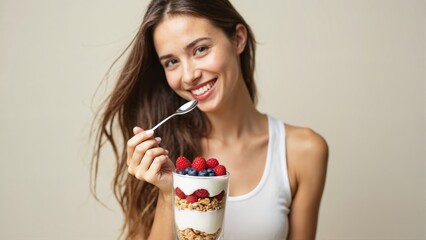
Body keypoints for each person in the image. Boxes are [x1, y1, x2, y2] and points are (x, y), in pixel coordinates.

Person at [91, 0, 328, 239]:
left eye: (200, 49)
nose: (189, 76)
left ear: (238, 39)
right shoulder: (164, 151)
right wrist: (169, 193)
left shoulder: (303, 151)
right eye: (172, 62)